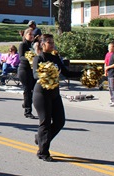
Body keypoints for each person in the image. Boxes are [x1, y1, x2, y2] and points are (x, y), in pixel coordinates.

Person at [32, 34, 70, 162]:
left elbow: (66, 73)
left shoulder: (55, 58)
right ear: (43, 44)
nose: (52, 44)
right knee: (45, 123)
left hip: (55, 93)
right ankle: (43, 152)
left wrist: (85, 73)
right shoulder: (39, 58)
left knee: (60, 121)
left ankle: (40, 138)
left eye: (53, 42)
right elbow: (35, 75)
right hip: (41, 94)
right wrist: (46, 73)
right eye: (49, 42)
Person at [18, 28, 37, 119]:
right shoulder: (23, 45)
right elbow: (21, 57)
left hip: (33, 71)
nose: (32, 36)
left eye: (33, 35)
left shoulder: (34, 46)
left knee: (35, 90)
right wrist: (30, 59)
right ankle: (28, 111)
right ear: (25, 35)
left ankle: (26, 103)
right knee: (27, 90)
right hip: (24, 70)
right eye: (30, 34)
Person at [104, 42, 114, 107]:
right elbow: (106, 63)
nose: (108, 49)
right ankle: (112, 99)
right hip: (110, 73)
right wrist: (106, 70)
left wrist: (108, 67)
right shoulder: (108, 54)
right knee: (110, 87)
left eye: (110, 47)